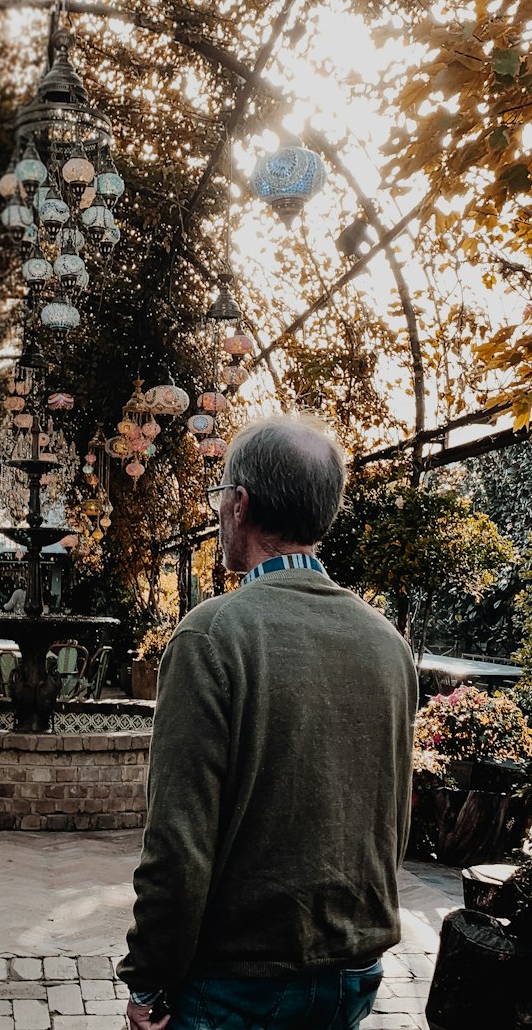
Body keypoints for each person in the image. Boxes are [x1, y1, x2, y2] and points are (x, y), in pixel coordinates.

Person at [119, 412, 417, 1030]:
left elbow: (178, 843)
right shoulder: (387, 644)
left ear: (240, 504)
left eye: (220, 494)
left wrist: (148, 982)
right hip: (353, 975)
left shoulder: (212, 636)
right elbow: (393, 819)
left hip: (237, 988)